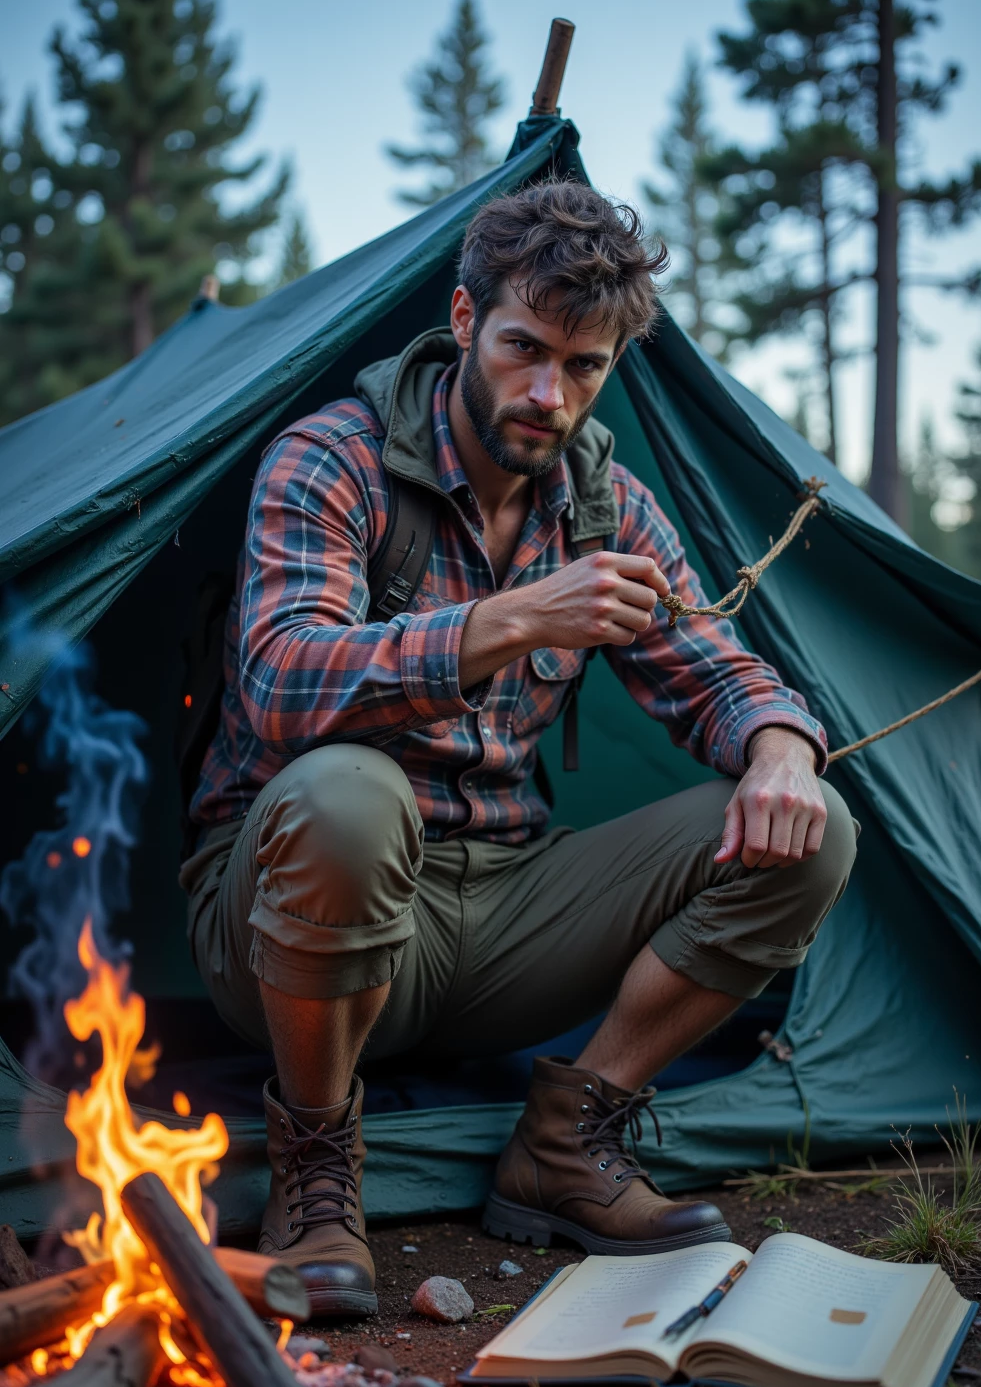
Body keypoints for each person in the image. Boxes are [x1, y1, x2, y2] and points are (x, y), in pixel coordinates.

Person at [181, 180, 857, 1318]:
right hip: (287, 916)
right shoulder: (330, 459)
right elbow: (280, 683)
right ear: (461, 322)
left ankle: (563, 1141)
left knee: (809, 830)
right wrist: (515, 621)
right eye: (523, 349)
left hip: (498, 916)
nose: (550, 394)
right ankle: (313, 1160)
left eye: (585, 367)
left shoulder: (608, 503)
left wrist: (783, 743)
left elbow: (716, 670)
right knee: (351, 794)